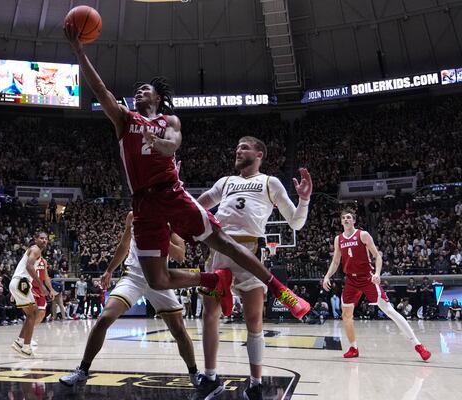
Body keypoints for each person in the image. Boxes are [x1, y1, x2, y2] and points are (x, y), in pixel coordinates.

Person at [64, 23, 310, 321]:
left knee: (225, 242)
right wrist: (79, 52)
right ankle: (214, 280)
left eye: (146, 89)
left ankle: (281, 289)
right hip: (143, 204)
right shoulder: (124, 119)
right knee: (157, 279)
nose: (139, 91)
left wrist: (157, 143)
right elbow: (100, 90)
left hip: (171, 192)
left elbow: (172, 146)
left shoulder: (169, 121)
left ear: (157, 98)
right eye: (137, 90)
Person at [193, 136, 312, 400]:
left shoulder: (270, 182)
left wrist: (304, 200)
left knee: (254, 321)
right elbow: (198, 206)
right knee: (209, 315)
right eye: (236, 147)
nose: (238, 150)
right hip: (218, 251)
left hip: (250, 253)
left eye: (244, 147)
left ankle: (256, 384)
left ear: (259, 154)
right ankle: (211, 377)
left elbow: (295, 223)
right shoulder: (225, 182)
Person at [60, 212, 199, 387]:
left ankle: (194, 374)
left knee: (178, 330)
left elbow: (180, 255)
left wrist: (161, 235)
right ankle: (82, 371)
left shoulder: (170, 218)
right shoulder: (133, 216)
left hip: (159, 277)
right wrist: (109, 270)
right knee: (104, 319)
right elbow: (124, 245)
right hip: (134, 275)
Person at [323, 208, 431, 361]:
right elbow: (335, 262)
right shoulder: (338, 239)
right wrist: (327, 276)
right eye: (343, 218)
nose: (346, 219)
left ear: (354, 220)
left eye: (348, 217)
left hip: (367, 278)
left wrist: (377, 274)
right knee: (346, 315)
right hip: (351, 281)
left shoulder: (363, 235)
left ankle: (418, 345)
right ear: (341, 222)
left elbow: (377, 257)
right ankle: (353, 347)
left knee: (389, 310)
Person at [9, 232, 50, 357]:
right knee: (34, 314)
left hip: (17, 283)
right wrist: (42, 285)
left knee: (30, 314)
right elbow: (29, 266)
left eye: (45, 239)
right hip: (22, 282)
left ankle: (20, 341)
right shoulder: (35, 249)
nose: (44, 240)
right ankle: (26, 347)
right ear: (35, 239)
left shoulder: (36, 251)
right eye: (41, 238)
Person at [14, 256, 55, 348]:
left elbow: (46, 277)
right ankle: (24, 340)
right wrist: (14, 292)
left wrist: (51, 289)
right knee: (32, 313)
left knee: (41, 314)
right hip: (29, 287)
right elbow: (19, 275)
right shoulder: (28, 260)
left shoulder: (43, 261)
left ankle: (26, 336)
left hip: (40, 289)